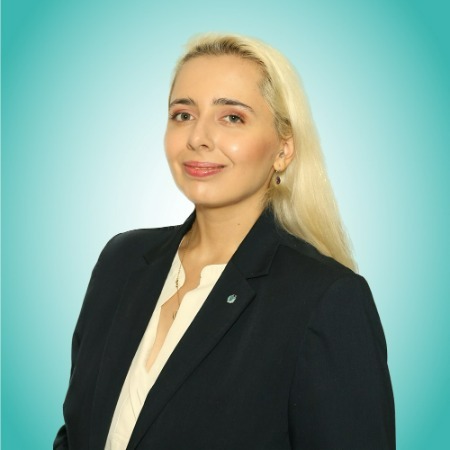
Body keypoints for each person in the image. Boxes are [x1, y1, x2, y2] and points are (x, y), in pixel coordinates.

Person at [54, 33, 395, 449]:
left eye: (231, 117)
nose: (198, 137)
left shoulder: (326, 299)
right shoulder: (121, 261)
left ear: (283, 149)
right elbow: (76, 433)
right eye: (183, 114)